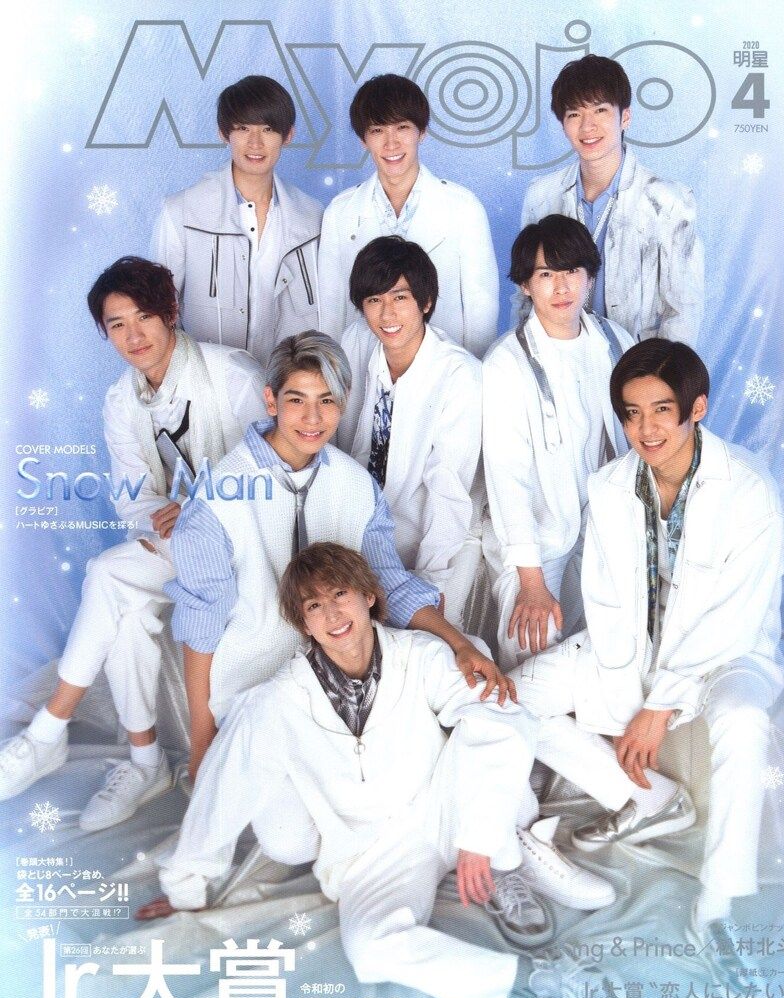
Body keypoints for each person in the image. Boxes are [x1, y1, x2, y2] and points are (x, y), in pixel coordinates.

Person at [137, 544, 617, 998]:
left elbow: (500, 716)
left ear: (368, 596)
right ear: (303, 623)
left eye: (340, 594)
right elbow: (225, 787)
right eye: (314, 606)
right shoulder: (277, 699)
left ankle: (507, 856)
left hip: (440, 806)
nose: (331, 614)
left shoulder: (420, 654)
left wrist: (477, 837)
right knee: (369, 948)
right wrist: (185, 885)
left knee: (494, 720)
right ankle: (533, 977)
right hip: (372, 848)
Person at [511, 339, 784, 982]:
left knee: (744, 721)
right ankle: (646, 797)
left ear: (697, 408)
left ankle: (719, 905)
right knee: (512, 700)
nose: (647, 429)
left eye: (662, 409)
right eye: (632, 414)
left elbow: (732, 617)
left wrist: (658, 707)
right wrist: (620, 698)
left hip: (726, 655)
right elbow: (606, 601)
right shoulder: (609, 487)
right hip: (629, 647)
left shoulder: (749, 492)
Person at [167, 332, 514, 779]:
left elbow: (388, 583)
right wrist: (201, 742)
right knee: (297, 818)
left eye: (327, 400)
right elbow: (202, 624)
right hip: (260, 685)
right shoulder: (218, 497)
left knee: (463, 674)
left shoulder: (354, 483)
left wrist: (460, 644)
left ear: (344, 401)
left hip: (350, 670)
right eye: (297, 400)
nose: (313, 418)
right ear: (270, 400)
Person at [0, 256, 266, 829]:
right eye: (116, 324)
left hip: (251, 543)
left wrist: (199, 507)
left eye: (143, 316)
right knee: (124, 610)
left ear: (170, 311)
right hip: (178, 545)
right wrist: (170, 519)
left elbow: (276, 469)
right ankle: (146, 763)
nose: (133, 335)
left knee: (106, 574)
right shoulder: (121, 401)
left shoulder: (232, 373)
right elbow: (132, 500)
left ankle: (48, 731)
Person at [482, 215, 634, 670]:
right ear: (525, 285)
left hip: (605, 524)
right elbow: (507, 479)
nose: (562, 286)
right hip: (537, 538)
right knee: (536, 641)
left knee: (623, 642)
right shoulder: (505, 363)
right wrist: (531, 583)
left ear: (590, 277)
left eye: (572, 270)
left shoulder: (616, 342)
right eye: (546, 274)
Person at [337, 236, 483, 628]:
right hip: (353, 530)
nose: (387, 314)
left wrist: (432, 581)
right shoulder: (356, 343)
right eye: (374, 300)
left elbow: (448, 487)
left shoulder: (459, 374)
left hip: (422, 539)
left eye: (400, 297)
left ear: (426, 302)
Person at [521, 54, 704, 344]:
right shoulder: (541, 196)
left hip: (638, 361)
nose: (587, 126)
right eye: (574, 114)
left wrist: (659, 371)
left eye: (600, 110)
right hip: (560, 356)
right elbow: (526, 295)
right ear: (563, 124)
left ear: (625, 117)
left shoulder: (667, 201)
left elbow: (683, 311)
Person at [318, 74, 499, 359]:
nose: (391, 143)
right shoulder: (340, 213)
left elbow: (481, 311)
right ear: (363, 139)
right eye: (377, 130)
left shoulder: (463, 207)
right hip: (364, 366)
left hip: (444, 367)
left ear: (422, 131)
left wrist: (470, 374)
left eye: (402, 127)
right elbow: (330, 312)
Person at [152, 75, 322, 366]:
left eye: (268, 129)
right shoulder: (181, 212)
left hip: (288, 384)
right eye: (243, 128)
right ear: (223, 133)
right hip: (208, 382)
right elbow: (159, 312)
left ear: (288, 135)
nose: (255, 142)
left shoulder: (313, 217)